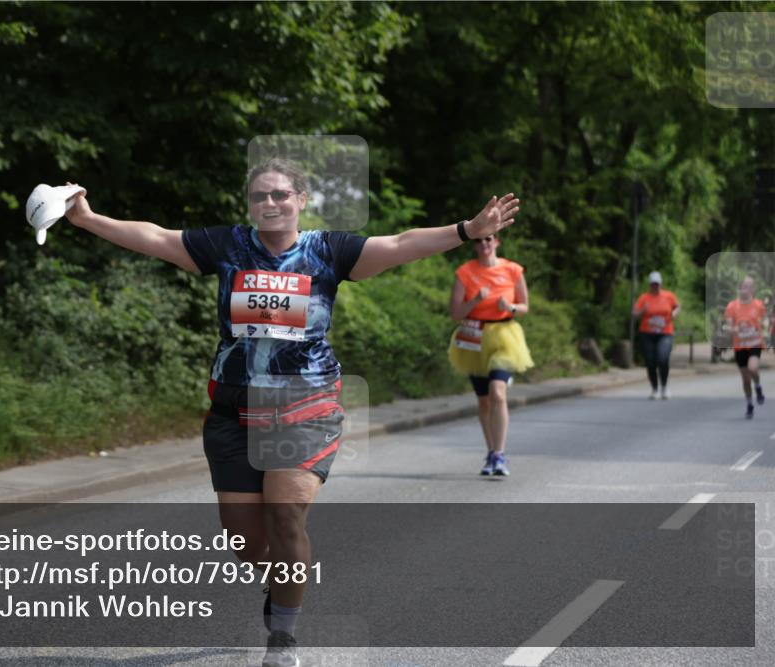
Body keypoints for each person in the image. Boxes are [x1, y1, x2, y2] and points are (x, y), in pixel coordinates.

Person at [63, 160, 520, 667]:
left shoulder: (328, 251)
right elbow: (156, 237)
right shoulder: (227, 245)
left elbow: (397, 244)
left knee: (285, 517)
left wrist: (465, 231)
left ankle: (282, 639)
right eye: (260, 196)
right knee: (242, 539)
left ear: (301, 199)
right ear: (250, 204)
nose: (271, 204)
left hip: (307, 405)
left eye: (281, 195)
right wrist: (88, 219)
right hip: (233, 407)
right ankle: (281, 583)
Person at [447, 233, 533, 477]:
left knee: (497, 392)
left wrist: (511, 307)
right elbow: (455, 312)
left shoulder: (513, 269)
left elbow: (525, 305)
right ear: (474, 245)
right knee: (484, 400)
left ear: (497, 242)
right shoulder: (465, 272)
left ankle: (500, 454)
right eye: (479, 240)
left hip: (505, 334)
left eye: (489, 239)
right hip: (474, 336)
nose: (484, 244)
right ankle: (491, 451)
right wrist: (475, 300)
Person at [632, 271, 681, 400]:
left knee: (662, 358)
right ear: (650, 285)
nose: (655, 286)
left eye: (657, 284)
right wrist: (642, 311)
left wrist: (675, 312)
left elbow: (677, 306)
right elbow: (634, 314)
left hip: (665, 333)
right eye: (653, 284)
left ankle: (664, 387)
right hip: (647, 333)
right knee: (650, 361)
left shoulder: (668, 296)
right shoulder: (644, 298)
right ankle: (655, 388)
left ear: (661, 284)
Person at [724, 276, 767, 419]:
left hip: (754, 344)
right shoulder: (732, 306)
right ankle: (749, 403)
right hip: (740, 345)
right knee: (745, 379)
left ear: (753, 290)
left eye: (749, 286)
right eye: (743, 286)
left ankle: (758, 387)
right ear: (739, 288)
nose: (745, 289)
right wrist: (735, 329)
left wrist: (762, 329)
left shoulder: (759, 305)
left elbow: (765, 323)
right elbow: (729, 326)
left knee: (752, 368)